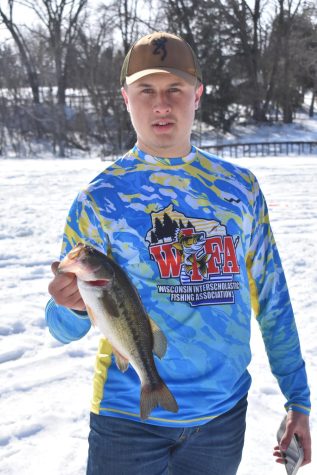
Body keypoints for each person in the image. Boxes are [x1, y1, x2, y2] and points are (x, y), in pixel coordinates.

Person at [46, 32, 311, 475]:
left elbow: (273, 301)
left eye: (175, 90)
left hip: (221, 420)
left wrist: (298, 399)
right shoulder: (98, 199)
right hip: (126, 422)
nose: (161, 105)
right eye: (146, 91)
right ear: (126, 98)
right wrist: (69, 307)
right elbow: (60, 328)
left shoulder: (240, 189)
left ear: (198, 94)